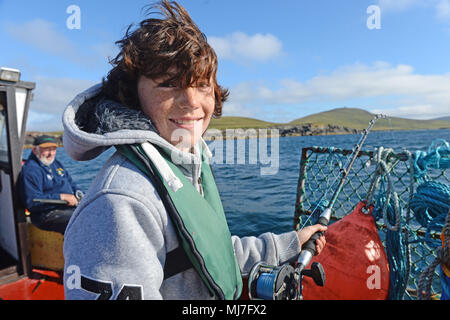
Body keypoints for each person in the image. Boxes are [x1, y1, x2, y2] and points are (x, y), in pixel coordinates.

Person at [62, 0, 326, 300]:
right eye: (169, 84)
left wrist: (288, 245)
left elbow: (209, 251)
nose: (191, 101)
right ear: (132, 95)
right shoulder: (119, 202)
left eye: (202, 85)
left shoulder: (186, 162)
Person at [18, 135, 82, 235]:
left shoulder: (56, 164)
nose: (51, 153)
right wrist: (61, 197)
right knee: (80, 220)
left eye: (53, 149)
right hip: (45, 215)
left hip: (68, 208)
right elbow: (32, 202)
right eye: (47, 149)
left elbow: (71, 183)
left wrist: (79, 194)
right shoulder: (30, 170)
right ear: (35, 150)